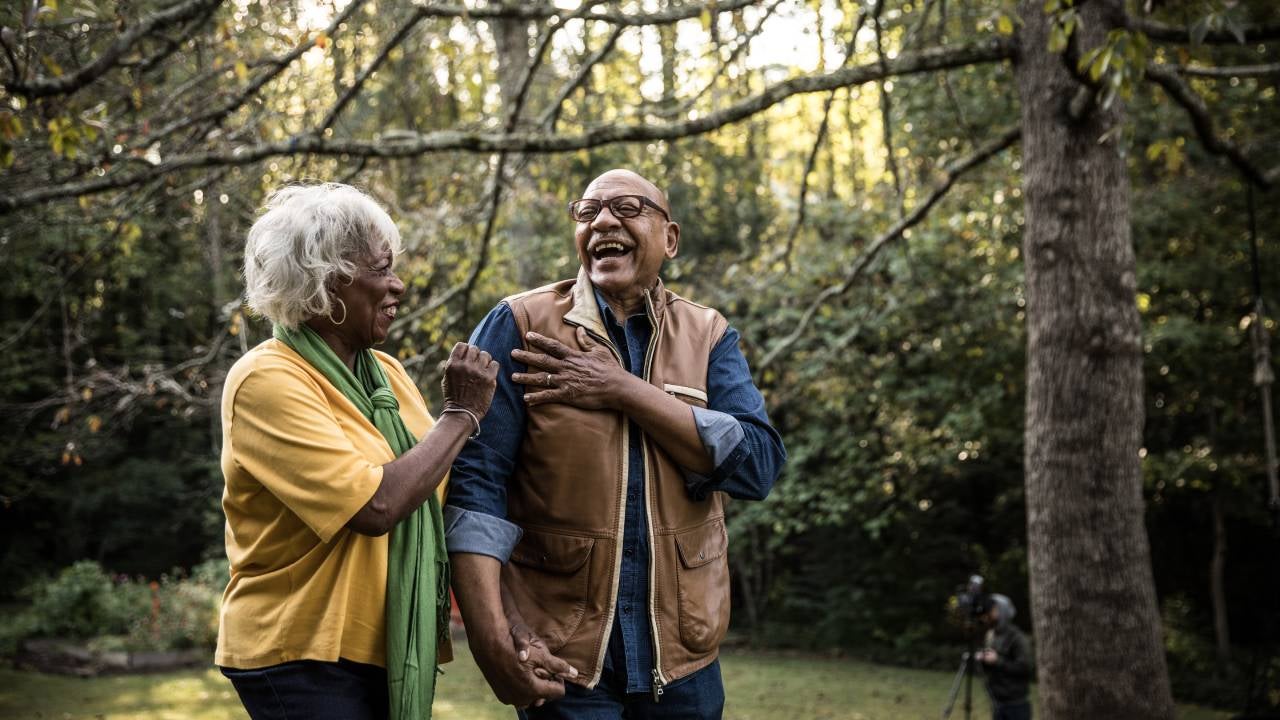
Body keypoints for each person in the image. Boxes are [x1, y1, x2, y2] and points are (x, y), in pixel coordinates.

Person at [444, 168, 787, 718]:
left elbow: (759, 467)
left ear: (669, 238)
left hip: (684, 662)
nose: (604, 221)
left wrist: (623, 389)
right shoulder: (520, 324)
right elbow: (476, 487)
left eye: (628, 208)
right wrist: (491, 637)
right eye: (587, 212)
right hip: (563, 656)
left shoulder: (709, 336)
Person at [216, 183, 498, 720]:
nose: (398, 285)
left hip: (380, 642)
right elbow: (375, 506)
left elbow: (440, 485)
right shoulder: (265, 379)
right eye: (381, 269)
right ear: (324, 282)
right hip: (300, 651)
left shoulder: (384, 375)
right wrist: (461, 415)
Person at [978, 594, 1034, 720]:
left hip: (1016, 705)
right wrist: (984, 660)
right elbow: (990, 669)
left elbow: (1025, 668)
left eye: (993, 610)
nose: (989, 614)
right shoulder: (991, 635)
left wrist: (998, 660)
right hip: (998, 702)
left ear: (1002, 611)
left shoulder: (1017, 637)